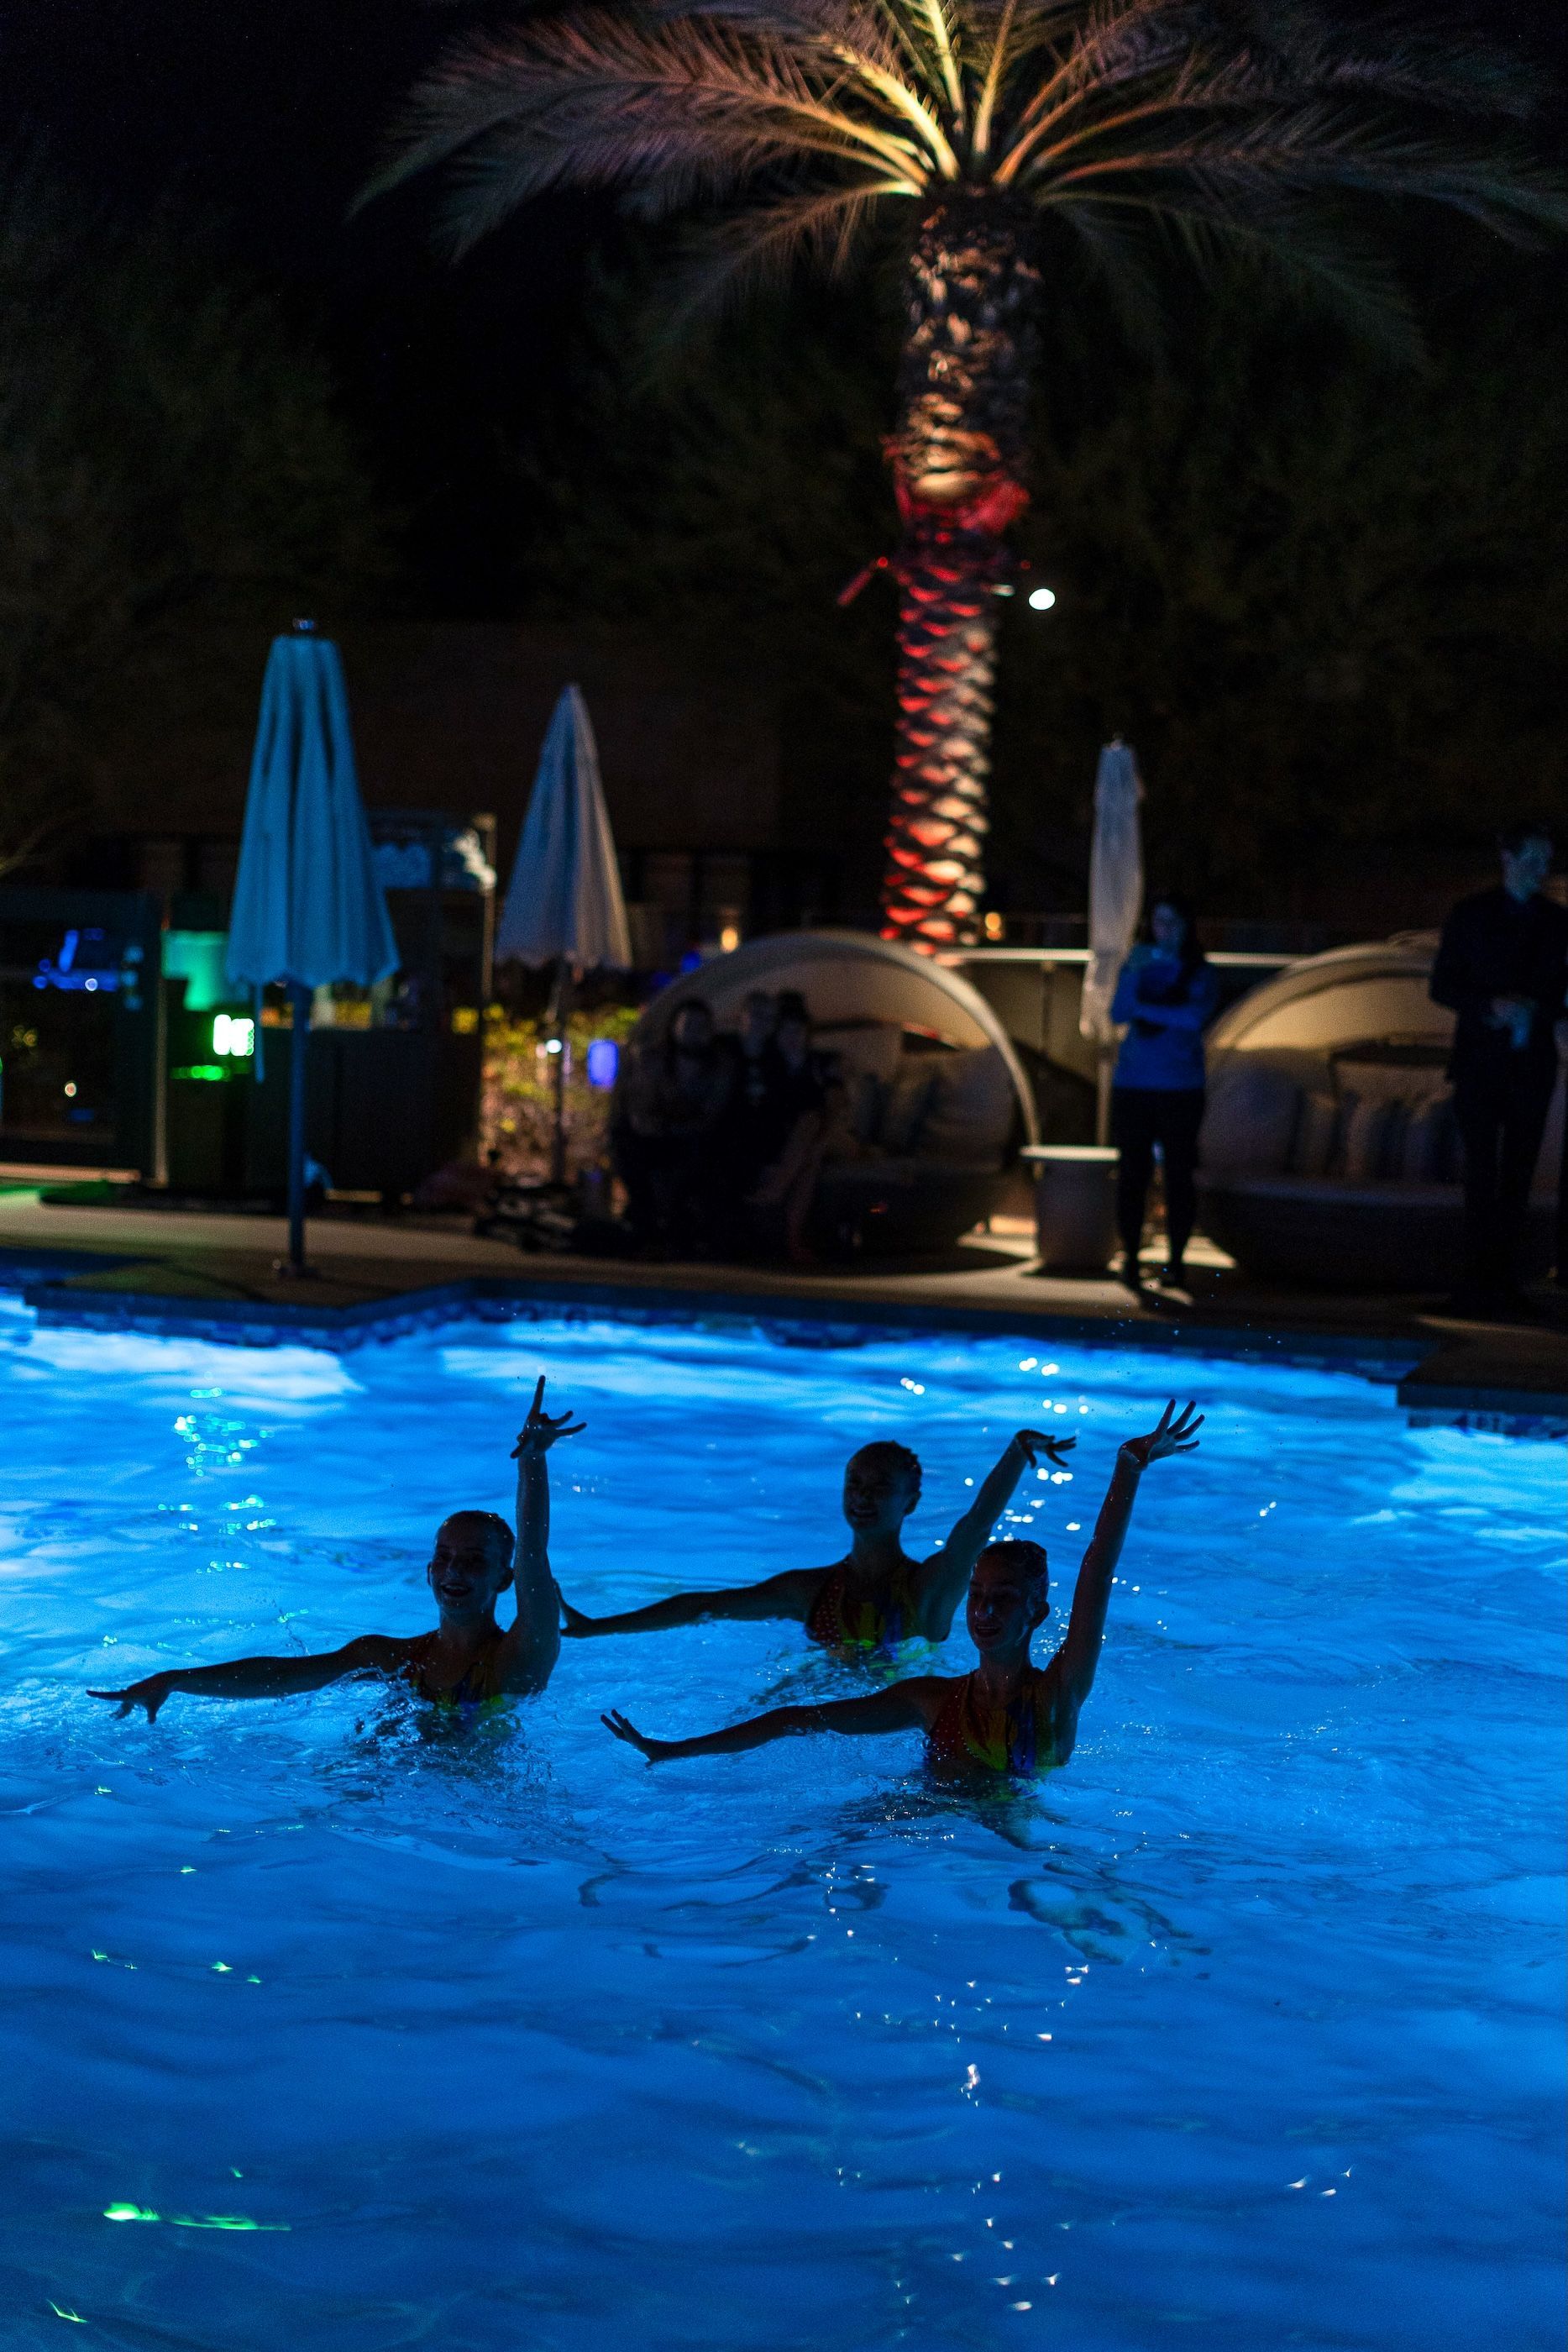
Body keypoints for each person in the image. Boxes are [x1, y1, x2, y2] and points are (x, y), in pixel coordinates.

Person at [601, 1401, 1202, 1777]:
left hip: (1012, 1845)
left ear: (1037, 1614)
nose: (983, 1609)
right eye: (977, 1595)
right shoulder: (929, 1700)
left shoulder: (1057, 1694)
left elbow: (1094, 1568)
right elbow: (794, 1717)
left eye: (1003, 1598)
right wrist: (674, 1749)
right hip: (922, 1830)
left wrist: (1128, 1467)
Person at [89, 1378, 583, 1721]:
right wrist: (175, 1679)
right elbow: (284, 1677)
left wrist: (532, 1460)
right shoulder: (393, 1658)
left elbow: (534, 1555)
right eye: (445, 1558)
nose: (454, 1571)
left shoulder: (516, 1660)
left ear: (503, 1579)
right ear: (429, 1571)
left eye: (474, 1561)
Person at [559, 1423, 1078, 1656]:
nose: (863, 1497)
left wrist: (1017, 1453)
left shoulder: (926, 1593)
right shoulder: (811, 1591)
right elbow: (705, 1606)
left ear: (910, 1503)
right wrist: (599, 1627)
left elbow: (975, 1527)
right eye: (855, 1484)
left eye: (880, 1488)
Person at [1430, 821, 1568, 1310]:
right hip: (1481, 1062)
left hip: (1530, 1064)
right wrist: (1491, 1005)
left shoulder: (1557, 921)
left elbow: (1562, 991)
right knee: (1481, 1171)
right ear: (1507, 858)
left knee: (1517, 1174)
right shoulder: (1472, 915)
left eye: (1545, 860)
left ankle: (1502, 1281)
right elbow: (1442, 985)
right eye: (1532, 859)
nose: (1541, 870)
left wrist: (1535, 1009)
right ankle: (1478, 1280)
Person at [1109, 895, 1218, 1294]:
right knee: (1132, 1175)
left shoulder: (1200, 971)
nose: (1165, 930)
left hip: (1180, 1087)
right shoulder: (1138, 964)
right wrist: (1132, 975)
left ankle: (1176, 1261)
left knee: (1178, 1176)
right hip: (1133, 1084)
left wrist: (1143, 1008)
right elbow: (1118, 1013)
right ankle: (1131, 1259)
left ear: (1187, 926)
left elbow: (1192, 1018)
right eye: (1159, 921)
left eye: (1173, 922)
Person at [611, 996, 735, 1252]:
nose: (694, 1032)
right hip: (650, 1137)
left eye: (701, 1026)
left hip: (692, 1139)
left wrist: (679, 1127)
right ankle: (646, 1225)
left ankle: (677, 1228)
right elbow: (640, 1110)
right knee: (628, 1145)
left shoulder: (719, 1065)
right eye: (688, 1025)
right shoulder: (652, 1060)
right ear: (674, 1027)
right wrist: (661, 1126)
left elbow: (711, 1115)